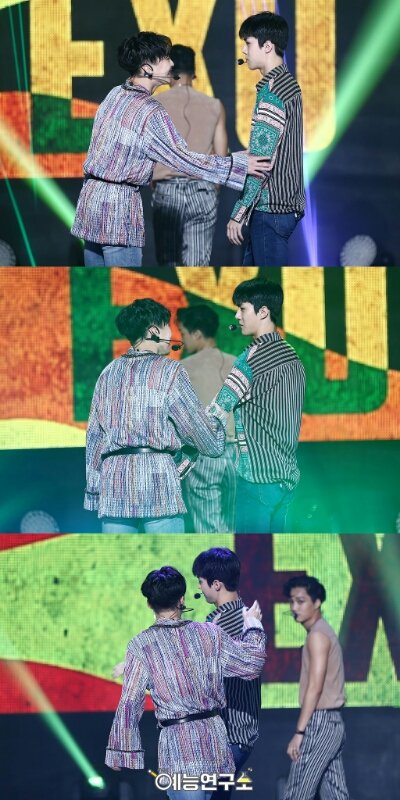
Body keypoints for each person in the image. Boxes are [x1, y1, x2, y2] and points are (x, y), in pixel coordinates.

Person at [71, 31, 269, 267]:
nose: (171, 62)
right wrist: (238, 164)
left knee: (99, 285)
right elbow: (183, 159)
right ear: (147, 69)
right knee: (124, 284)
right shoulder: (149, 111)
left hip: (90, 205)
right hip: (118, 213)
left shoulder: (115, 94)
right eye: (165, 58)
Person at [106, 565, 266, 800]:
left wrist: (121, 749)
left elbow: (131, 702)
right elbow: (251, 663)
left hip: (179, 746)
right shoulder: (209, 633)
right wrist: (253, 626)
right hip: (214, 742)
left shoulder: (141, 645)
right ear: (182, 599)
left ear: (149, 603)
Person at [84, 298, 227, 533]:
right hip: (158, 482)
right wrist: (217, 426)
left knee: (119, 557)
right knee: (166, 556)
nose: (172, 333)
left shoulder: (107, 374)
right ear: (153, 332)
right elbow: (198, 431)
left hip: (113, 486)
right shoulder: (170, 370)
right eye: (167, 326)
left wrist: (94, 492)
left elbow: (94, 439)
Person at [208, 278, 305, 533]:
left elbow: (216, 412)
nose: (237, 315)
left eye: (242, 308)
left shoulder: (250, 360)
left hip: (257, 483)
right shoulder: (292, 356)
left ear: (263, 312)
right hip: (286, 482)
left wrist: (181, 461)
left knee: (252, 553)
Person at [227, 12, 305, 266]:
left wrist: (239, 213)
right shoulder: (289, 85)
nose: (244, 50)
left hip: (269, 210)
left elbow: (261, 163)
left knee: (267, 280)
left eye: (248, 43)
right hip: (284, 208)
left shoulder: (273, 93)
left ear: (267, 46)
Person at [192, 547, 262, 800]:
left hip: (231, 735)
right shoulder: (232, 617)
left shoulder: (231, 622)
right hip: (230, 736)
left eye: (201, 581)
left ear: (216, 584)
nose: (199, 587)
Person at [152, 44, 228, 266]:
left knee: (169, 266)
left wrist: (156, 183)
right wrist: (211, 189)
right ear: (194, 73)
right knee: (196, 268)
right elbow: (222, 159)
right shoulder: (214, 106)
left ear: (169, 72)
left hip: (167, 190)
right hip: (202, 190)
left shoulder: (154, 105)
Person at [282, 576, 350, 800]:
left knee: (297, 793)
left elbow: (315, 687)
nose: (294, 607)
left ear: (317, 602)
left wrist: (299, 732)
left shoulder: (317, 636)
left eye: (301, 601)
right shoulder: (322, 631)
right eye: (292, 601)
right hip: (333, 723)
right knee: (335, 795)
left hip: (320, 723)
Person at [176, 306, 236, 532]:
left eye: (183, 333)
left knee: (208, 529)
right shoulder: (238, 364)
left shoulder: (182, 369)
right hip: (239, 456)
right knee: (232, 527)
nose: (182, 340)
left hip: (204, 456)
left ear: (197, 334)